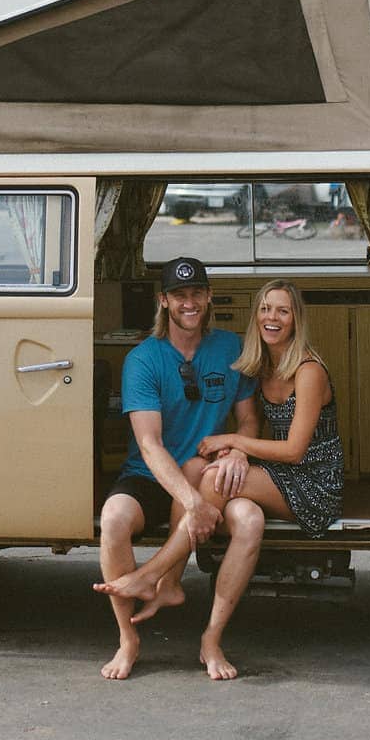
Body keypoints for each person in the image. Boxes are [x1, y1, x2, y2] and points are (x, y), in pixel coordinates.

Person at [96, 281, 344, 640]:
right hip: (285, 474)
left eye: (282, 311)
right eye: (265, 309)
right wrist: (236, 452)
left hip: (313, 483)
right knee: (197, 467)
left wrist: (232, 442)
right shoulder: (262, 364)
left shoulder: (308, 370)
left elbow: (294, 451)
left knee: (212, 478)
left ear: (296, 320)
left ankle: (157, 573)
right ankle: (171, 584)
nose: (272, 318)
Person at [94, 257, 265, 682]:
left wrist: (239, 451)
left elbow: (247, 421)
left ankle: (206, 633)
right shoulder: (143, 359)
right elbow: (149, 445)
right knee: (113, 517)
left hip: (208, 475)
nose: (189, 303)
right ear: (164, 301)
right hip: (152, 477)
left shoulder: (230, 349)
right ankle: (128, 639)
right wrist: (193, 504)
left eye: (196, 294)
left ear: (208, 297)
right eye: (179, 296)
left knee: (246, 515)